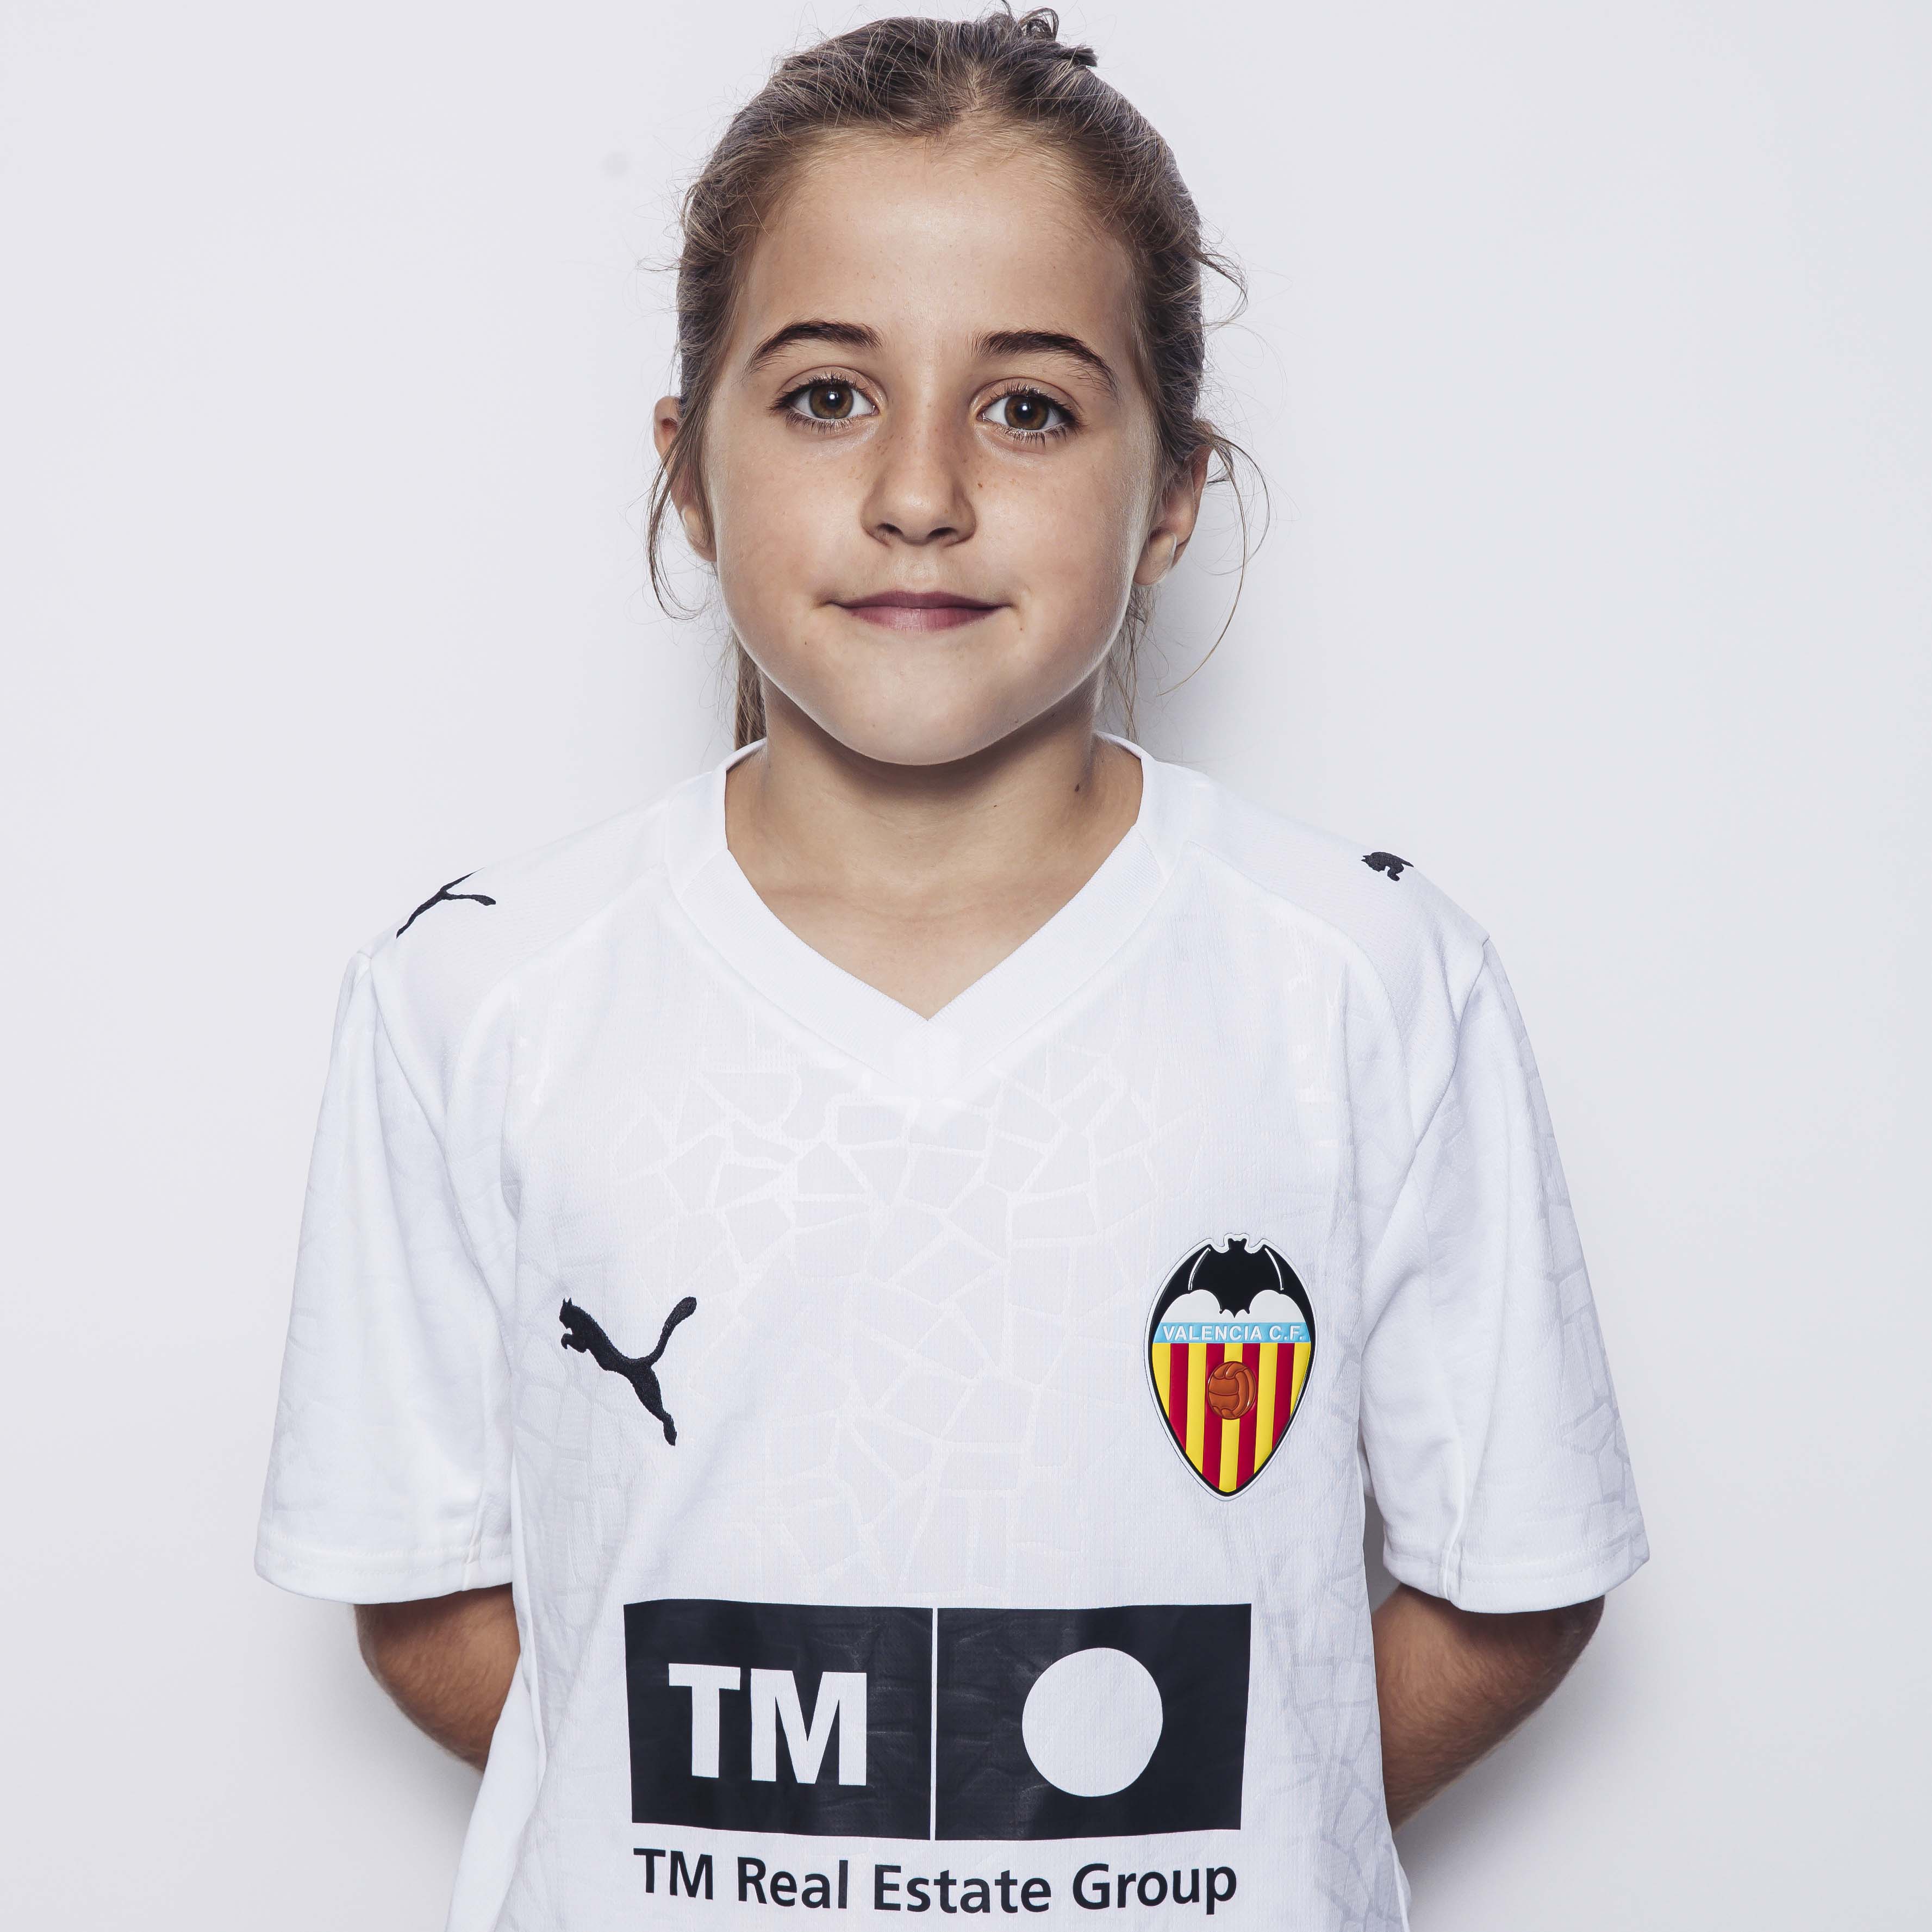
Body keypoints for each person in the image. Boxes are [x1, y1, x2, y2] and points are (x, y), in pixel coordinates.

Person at [255, 12, 1647, 1927]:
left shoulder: (1364, 979)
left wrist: (1178, 1825)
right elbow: (418, 1587)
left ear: (1172, 488)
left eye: (1030, 408)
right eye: (828, 394)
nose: (920, 489)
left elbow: (1513, 1578)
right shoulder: (476, 992)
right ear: (688, 469)